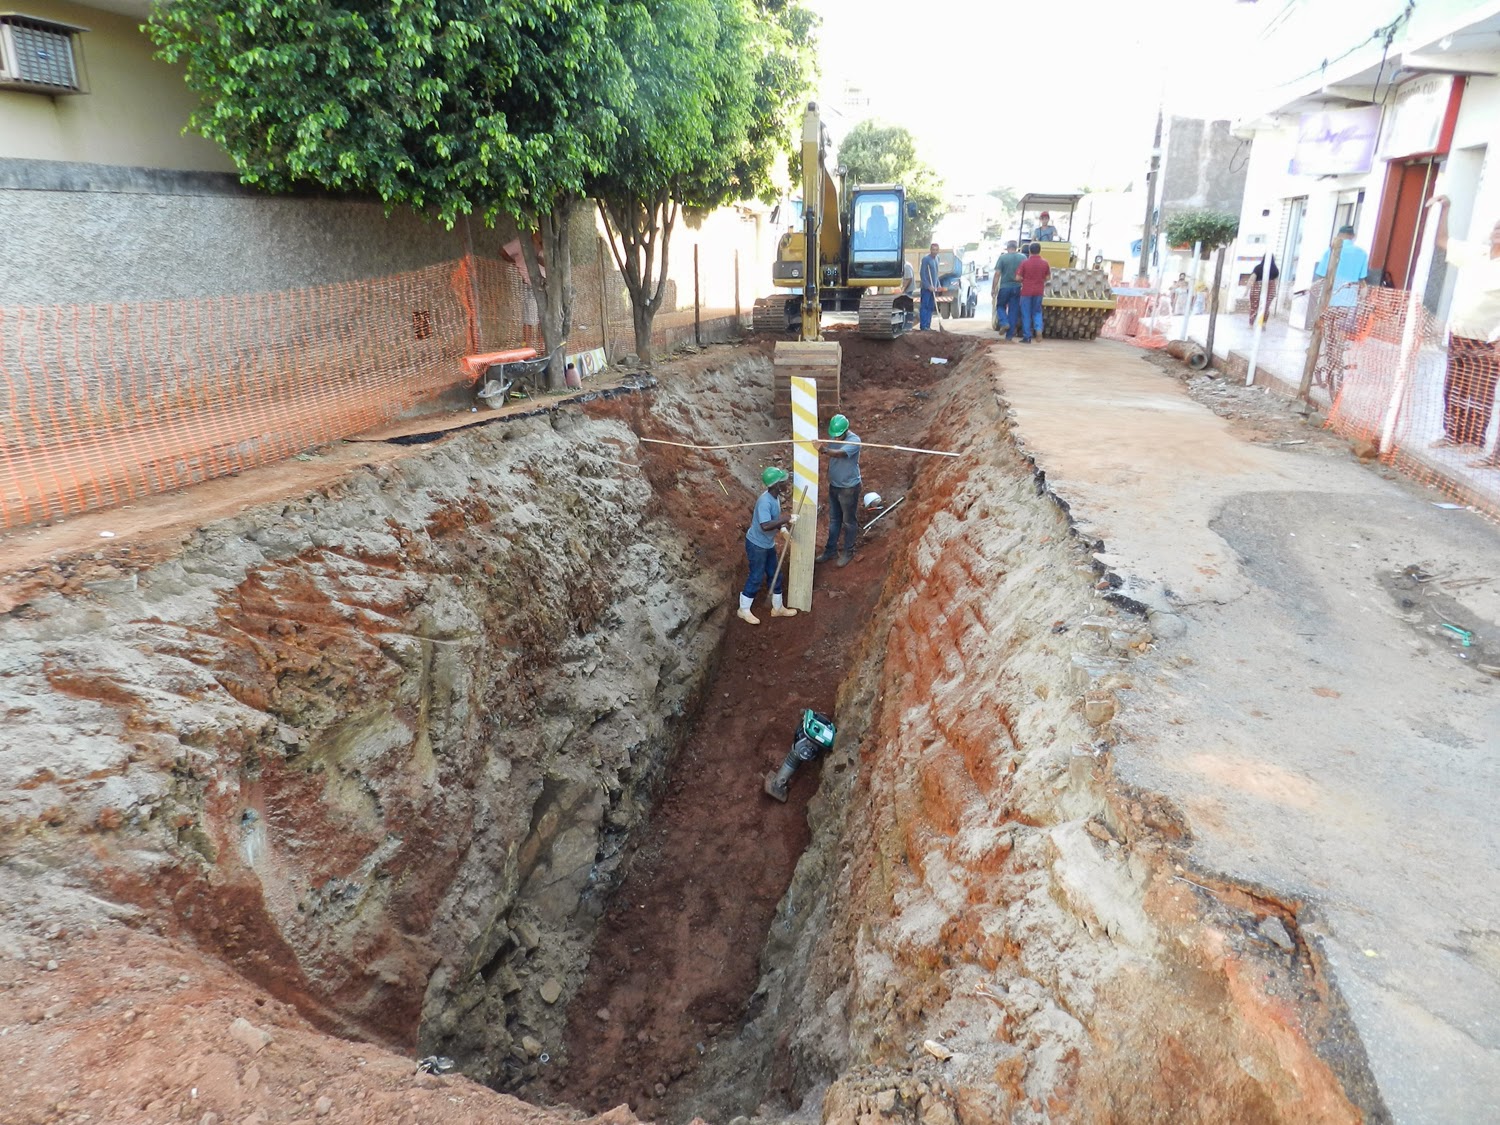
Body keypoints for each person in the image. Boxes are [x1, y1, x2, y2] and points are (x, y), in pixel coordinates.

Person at [1427, 195, 1500, 463]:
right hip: (1458, 334)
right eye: (1496, 228)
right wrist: (1445, 209)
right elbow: (1442, 242)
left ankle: (1473, 439)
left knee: (1480, 391)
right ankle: (1452, 434)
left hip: (1486, 341)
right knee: (1453, 388)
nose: (1498, 233)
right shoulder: (1476, 254)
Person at [1312, 224, 1370, 394]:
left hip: (1328, 303)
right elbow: (1362, 280)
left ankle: (1328, 368)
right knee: (1339, 340)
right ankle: (1336, 371)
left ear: (1338, 236)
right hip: (1348, 304)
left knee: (1327, 339)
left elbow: (1322, 274)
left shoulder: (1330, 251)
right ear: (1353, 236)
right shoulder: (1362, 253)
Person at [739, 467, 798, 625]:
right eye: (784, 482)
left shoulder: (775, 498)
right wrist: (786, 519)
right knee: (756, 576)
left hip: (767, 544)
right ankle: (743, 610)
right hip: (757, 545)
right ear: (777, 485)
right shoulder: (765, 501)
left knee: (775, 574)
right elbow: (765, 525)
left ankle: (777, 608)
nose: (787, 484)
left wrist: (783, 528)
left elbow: (774, 518)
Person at [817, 413, 862, 568]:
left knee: (848, 521)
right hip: (835, 486)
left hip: (848, 488)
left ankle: (848, 551)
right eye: (833, 436)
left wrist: (823, 450)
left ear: (846, 430)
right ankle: (830, 550)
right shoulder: (834, 437)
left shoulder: (854, 441)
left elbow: (840, 454)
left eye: (838, 436)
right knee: (835, 520)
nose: (835, 439)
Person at [1015, 242, 1051, 342]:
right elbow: (1048, 277)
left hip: (1026, 291)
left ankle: (1027, 337)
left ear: (1030, 251)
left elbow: (1018, 277)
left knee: (1026, 313)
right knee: (1037, 311)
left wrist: (1024, 280)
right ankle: (1038, 329)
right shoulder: (1045, 263)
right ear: (1040, 250)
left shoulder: (1025, 263)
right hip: (1039, 291)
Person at [991, 240, 1025, 340]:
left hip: (1004, 287)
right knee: (1013, 310)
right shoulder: (1023, 258)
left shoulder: (1002, 258)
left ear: (1007, 247)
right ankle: (1009, 336)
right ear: (1017, 248)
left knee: (1000, 306)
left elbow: (997, 274)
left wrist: (993, 289)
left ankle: (1004, 323)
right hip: (1017, 287)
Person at [1248, 254, 1279, 326]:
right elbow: (1276, 282)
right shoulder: (1275, 270)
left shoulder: (1258, 268)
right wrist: (1274, 292)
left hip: (1257, 289)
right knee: (1265, 307)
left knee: (1254, 306)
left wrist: (1246, 290)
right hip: (1270, 290)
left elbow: (1252, 279)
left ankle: (1251, 324)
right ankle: (1262, 324)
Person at [919, 242, 943, 331]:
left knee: (930, 307)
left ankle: (928, 326)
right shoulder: (926, 259)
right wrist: (928, 286)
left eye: (936, 250)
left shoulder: (937, 259)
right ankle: (923, 326)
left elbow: (936, 274)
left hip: (934, 287)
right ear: (930, 250)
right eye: (933, 250)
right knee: (924, 306)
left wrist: (938, 285)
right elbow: (922, 274)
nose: (935, 252)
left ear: (938, 251)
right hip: (926, 288)